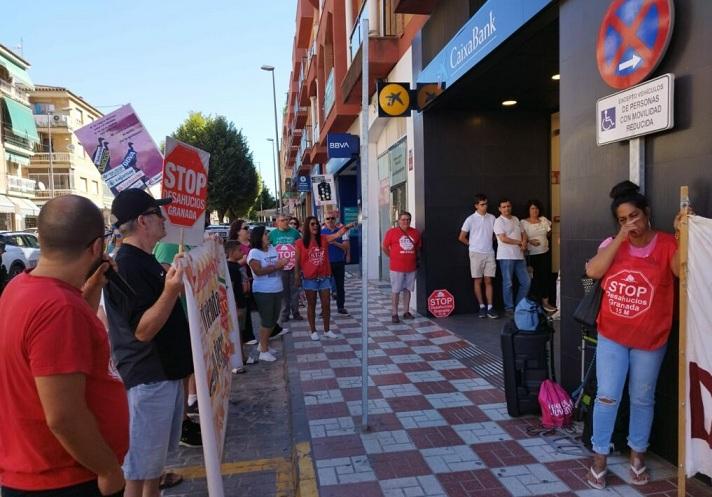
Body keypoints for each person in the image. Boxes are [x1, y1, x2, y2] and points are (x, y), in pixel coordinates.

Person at [0, 195, 127, 497]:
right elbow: (63, 416)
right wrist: (108, 469)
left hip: (40, 471)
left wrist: (93, 287)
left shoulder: (22, 287)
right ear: (97, 247)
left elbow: (63, 344)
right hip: (64, 479)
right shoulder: (59, 308)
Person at [583, 181, 684, 490]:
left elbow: (683, 270)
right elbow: (594, 271)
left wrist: (683, 233)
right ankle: (599, 459)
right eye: (623, 219)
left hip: (651, 338)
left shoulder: (667, 244)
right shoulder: (612, 243)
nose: (631, 224)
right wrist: (619, 239)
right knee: (607, 396)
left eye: (635, 216)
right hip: (613, 333)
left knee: (642, 398)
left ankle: (637, 457)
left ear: (647, 213)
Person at [103, 189, 196, 497]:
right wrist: (170, 291)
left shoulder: (144, 260)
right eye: (158, 214)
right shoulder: (128, 265)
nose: (164, 219)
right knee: (138, 474)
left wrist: (173, 285)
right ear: (143, 221)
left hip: (162, 375)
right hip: (149, 378)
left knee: (151, 473)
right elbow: (142, 330)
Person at [295, 216, 354, 340]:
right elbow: (297, 261)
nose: (315, 226)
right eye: (312, 224)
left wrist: (347, 227)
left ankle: (327, 330)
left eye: (316, 224)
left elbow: (338, 233)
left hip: (324, 277)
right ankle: (313, 331)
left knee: (326, 304)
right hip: (309, 278)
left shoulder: (324, 238)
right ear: (307, 226)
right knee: (311, 305)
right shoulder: (300, 243)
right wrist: (297, 277)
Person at [248, 226, 288, 362]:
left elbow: (277, 264)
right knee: (267, 320)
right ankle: (263, 351)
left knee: (273, 319)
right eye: (265, 234)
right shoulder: (254, 253)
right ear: (258, 237)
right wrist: (276, 266)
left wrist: (282, 263)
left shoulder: (272, 249)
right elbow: (258, 271)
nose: (268, 236)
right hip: (263, 290)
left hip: (277, 288)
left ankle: (263, 345)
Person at [458, 194, 498, 319]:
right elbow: (461, 237)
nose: (485, 206)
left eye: (486, 204)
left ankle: (490, 307)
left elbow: (497, 234)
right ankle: (481, 306)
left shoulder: (492, 218)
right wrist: (473, 244)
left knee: (489, 280)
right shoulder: (470, 219)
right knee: (478, 280)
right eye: (482, 204)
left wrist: (490, 241)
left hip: (489, 252)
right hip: (475, 253)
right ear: (476, 206)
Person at [382, 211, 421, 323]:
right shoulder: (391, 232)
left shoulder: (415, 233)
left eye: (408, 219)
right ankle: (394, 314)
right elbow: (384, 247)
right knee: (396, 290)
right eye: (403, 219)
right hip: (396, 267)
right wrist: (392, 257)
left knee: (408, 290)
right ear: (398, 221)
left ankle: (406, 312)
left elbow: (418, 248)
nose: (406, 221)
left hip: (411, 267)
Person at [494, 198, 530, 315]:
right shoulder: (498, 221)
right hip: (506, 256)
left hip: (519, 256)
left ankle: (518, 306)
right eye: (504, 207)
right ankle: (509, 308)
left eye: (508, 206)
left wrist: (524, 242)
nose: (506, 209)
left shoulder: (516, 219)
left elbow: (523, 233)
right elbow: (503, 238)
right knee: (508, 283)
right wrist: (520, 243)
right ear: (500, 209)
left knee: (526, 282)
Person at [520, 199, 556, 312]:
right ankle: (534, 304)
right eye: (532, 208)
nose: (535, 210)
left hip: (544, 253)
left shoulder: (544, 220)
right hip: (531, 255)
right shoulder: (523, 222)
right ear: (528, 210)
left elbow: (549, 232)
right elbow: (522, 238)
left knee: (545, 277)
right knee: (533, 280)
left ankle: (546, 303)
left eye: (536, 208)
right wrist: (531, 241)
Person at [226, 240, 256, 367]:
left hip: (243, 301)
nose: (242, 252)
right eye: (239, 250)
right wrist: (236, 306)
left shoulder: (237, 266)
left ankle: (241, 356)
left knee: (241, 332)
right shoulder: (230, 268)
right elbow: (231, 288)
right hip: (238, 304)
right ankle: (239, 358)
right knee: (237, 333)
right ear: (232, 252)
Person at [269, 214, 302, 322]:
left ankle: (296, 313)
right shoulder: (272, 234)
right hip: (280, 268)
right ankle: (285, 314)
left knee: (295, 290)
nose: (285, 222)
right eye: (282, 220)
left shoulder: (295, 233)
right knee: (283, 291)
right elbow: (267, 248)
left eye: (287, 220)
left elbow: (301, 247)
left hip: (294, 266)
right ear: (277, 222)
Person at [322, 213, 350, 314]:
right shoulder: (321, 232)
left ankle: (341, 306)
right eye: (328, 218)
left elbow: (345, 247)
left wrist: (334, 243)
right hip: (325, 263)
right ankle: (324, 309)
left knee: (340, 286)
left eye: (332, 218)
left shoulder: (342, 231)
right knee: (324, 287)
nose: (330, 220)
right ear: (324, 220)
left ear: (336, 219)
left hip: (339, 262)